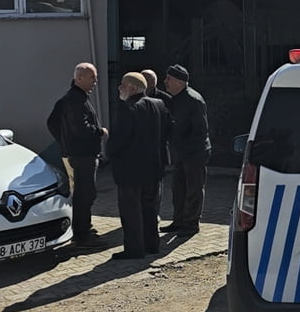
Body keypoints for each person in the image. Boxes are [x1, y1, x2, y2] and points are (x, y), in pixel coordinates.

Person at [106, 73, 172, 260]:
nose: (119, 88)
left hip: (131, 171)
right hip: (154, 167)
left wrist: (110, 153)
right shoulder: (158, 104)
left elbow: (118, 140)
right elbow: (169, 129)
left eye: (122, 85)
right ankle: (152, 245)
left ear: (133, 88)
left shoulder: (128, 109)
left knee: (131, 210)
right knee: (150, 209)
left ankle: (134, 249)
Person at [45, 63, 108, 247]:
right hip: (82, 155)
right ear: (79, 78)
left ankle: (84, 227)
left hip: (82, 153)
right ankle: (82, 234)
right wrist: (100, 132)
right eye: (92, 78)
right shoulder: (74, 100)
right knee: (84, 193)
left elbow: (53, 122)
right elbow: (80, 128)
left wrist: (65, 141)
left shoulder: (78, 97)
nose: (95, 82)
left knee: (86, 192)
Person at [162, 64, 211, 235]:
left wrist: (184, 145)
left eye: (169, 79)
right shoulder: (175, 98)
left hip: (194, 152)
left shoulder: (194, 100)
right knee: (178, 188)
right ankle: (179, 220)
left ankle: (191, 224)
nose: (165, 82)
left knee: (193, 188)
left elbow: (200, 130)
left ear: (180, 81)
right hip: (181, 152)